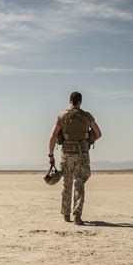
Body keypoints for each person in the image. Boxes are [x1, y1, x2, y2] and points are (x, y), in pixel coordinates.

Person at [48, 91, 102, 225]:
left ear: (70, 101)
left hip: (66, 154)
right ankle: (77, 215)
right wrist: (88, 140)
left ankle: (66, 214)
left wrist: (51, 155)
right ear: (80, 102)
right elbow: (99, 133)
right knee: (79, 184)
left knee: (67, 184)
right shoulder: (87, 116)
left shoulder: (62, 116)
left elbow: (53, 137)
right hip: (82, 155)